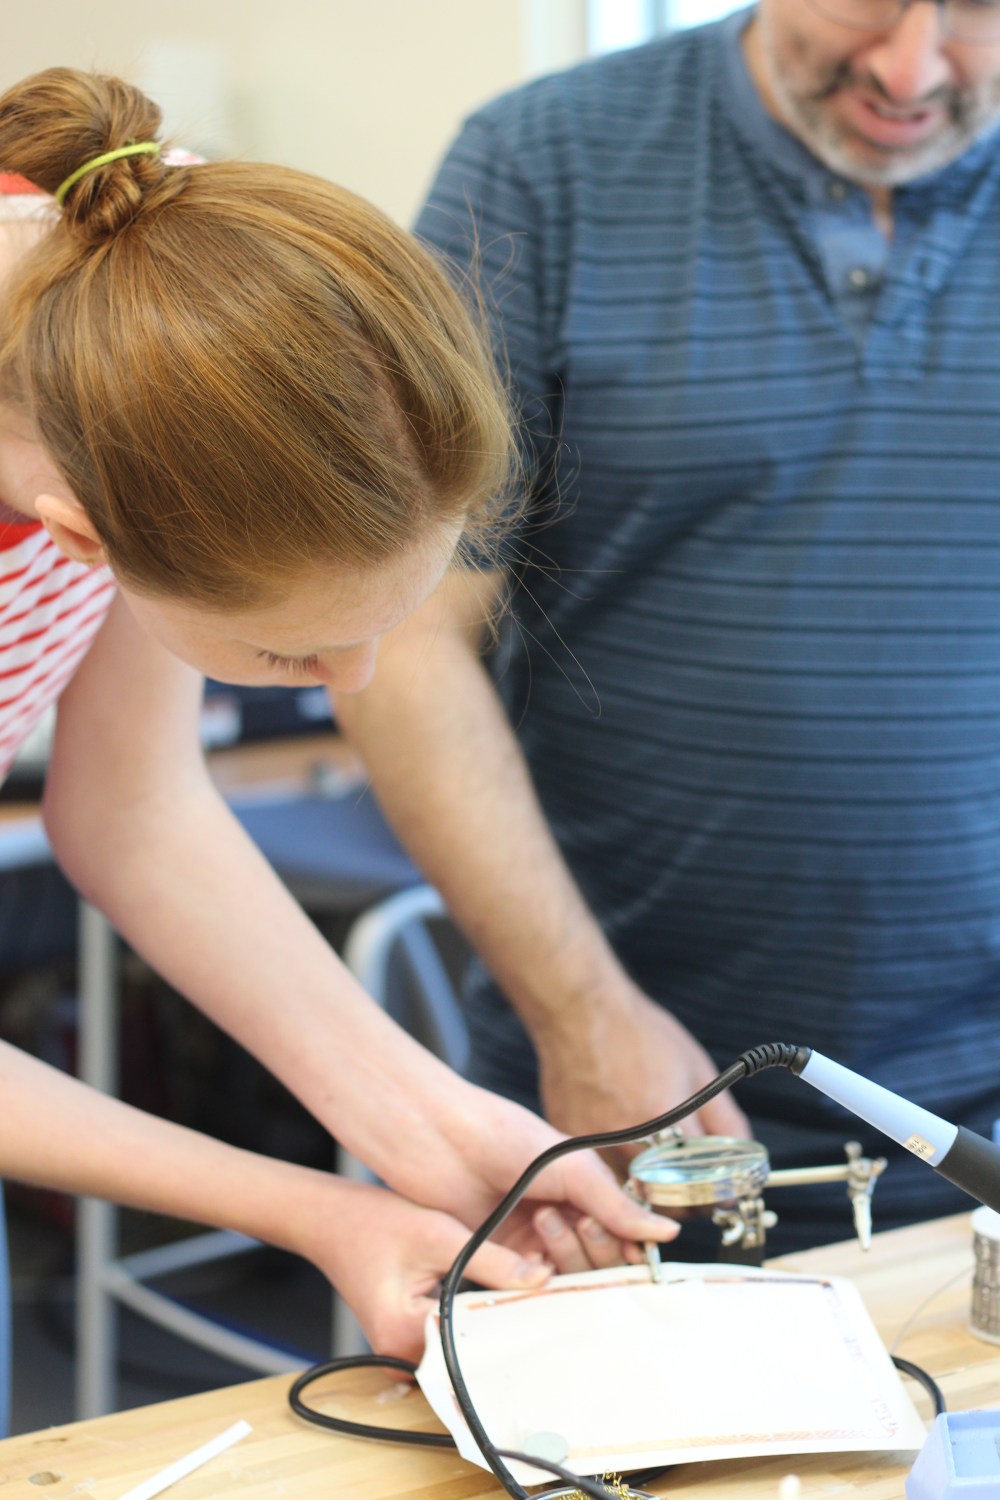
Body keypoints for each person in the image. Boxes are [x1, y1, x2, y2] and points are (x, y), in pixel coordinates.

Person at [0, 68, 677, 1360]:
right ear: (79, 541)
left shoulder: (149, 287)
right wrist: (319, 1211)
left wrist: (436, 1125)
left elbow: (133, 807)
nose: (357, 685)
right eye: (297, 650)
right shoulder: (106, 458)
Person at [334, 0, 1000, 1253]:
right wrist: (582, 1015)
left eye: (973, 11)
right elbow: (400, 639)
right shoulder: (542, 167)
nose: (908, 66)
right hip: (628, 1112)